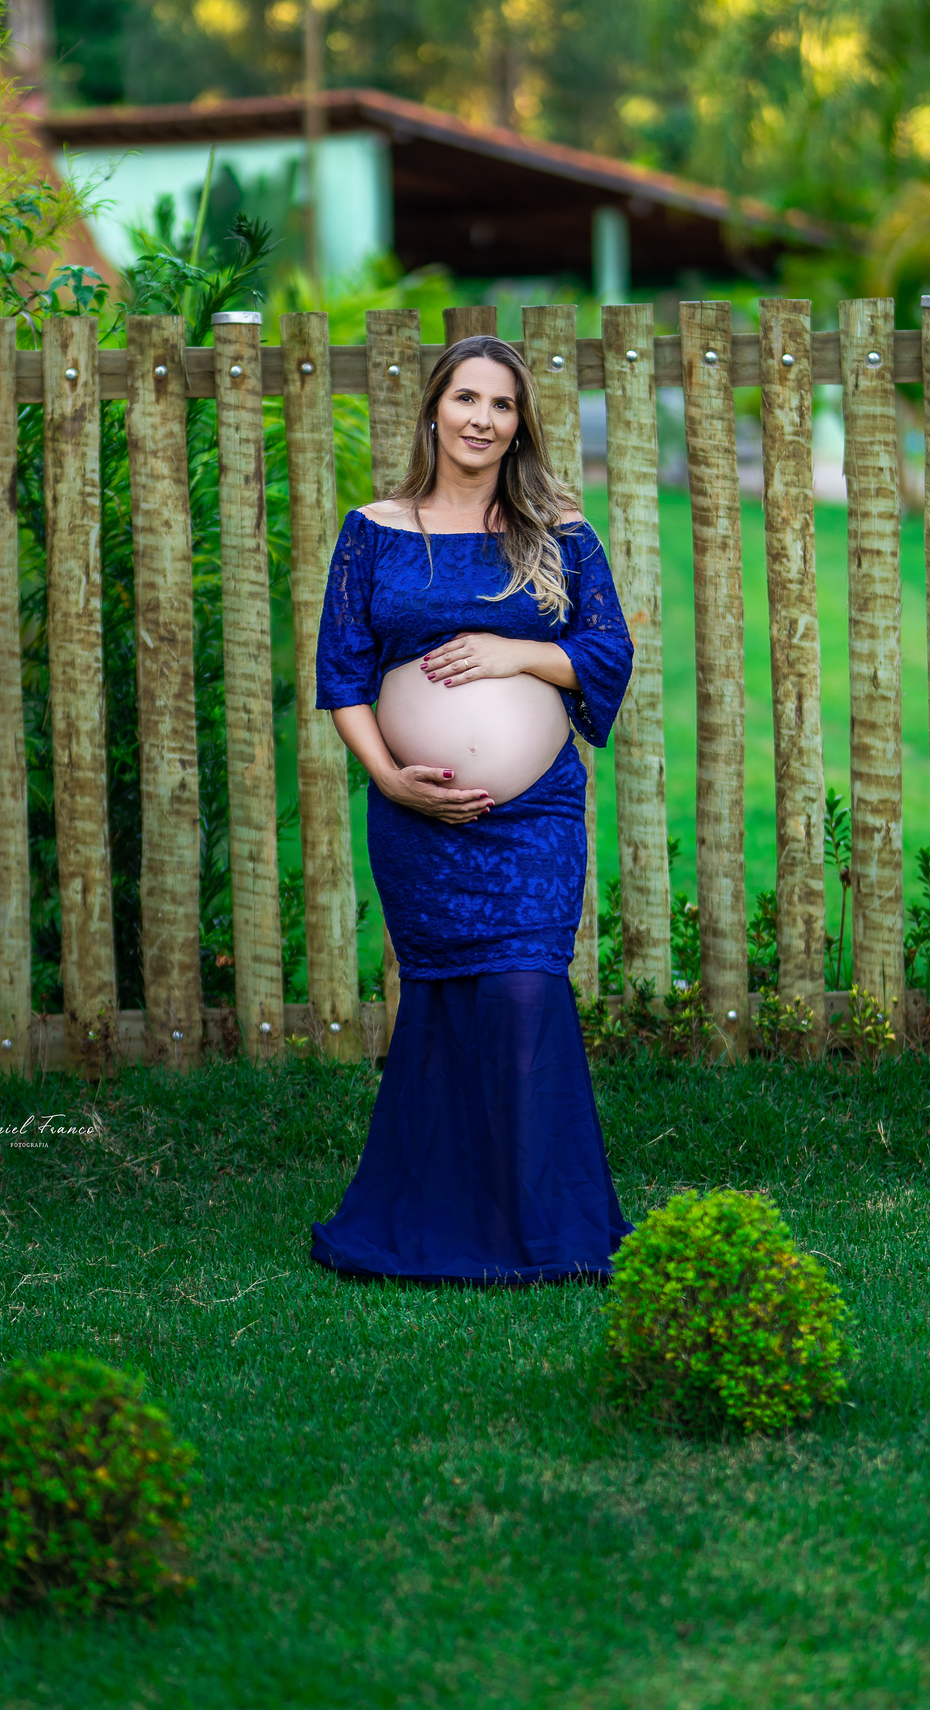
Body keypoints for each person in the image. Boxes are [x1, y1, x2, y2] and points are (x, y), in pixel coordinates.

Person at [311, 333, 634, 1285]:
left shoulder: (558, 533)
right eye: (466, 399)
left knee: (525, 988)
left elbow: (607, 651)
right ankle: (441, 1215)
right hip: (417, 820)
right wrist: (388, 778)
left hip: (535, 818)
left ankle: (544, 1226)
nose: (482, 420)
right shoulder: (374, 530)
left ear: (519, 424)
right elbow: (342, 671)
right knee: (446, 998)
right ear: (434, 409)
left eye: (502, 405)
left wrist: (514, 652)